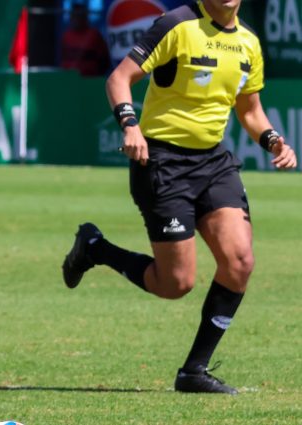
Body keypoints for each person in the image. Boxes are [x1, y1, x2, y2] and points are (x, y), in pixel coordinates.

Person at [63, 0, 297, 394]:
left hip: (214, 163)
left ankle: (194, 371)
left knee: (240, 261)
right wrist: (130, 125)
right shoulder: (175, 25)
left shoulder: (249, 43)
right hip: (163, 162)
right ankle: (95, 248)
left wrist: (273, 140)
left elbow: (250, 110)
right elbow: (118, 79)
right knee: (175, 283)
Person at [60, 2, 110, 77]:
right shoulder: (66, 36)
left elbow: (105, 59)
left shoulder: (94, 35)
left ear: (85, 17)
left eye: (80, 16)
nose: (76, 19)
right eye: (74, 15)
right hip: (68, 79)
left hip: (88, 80)